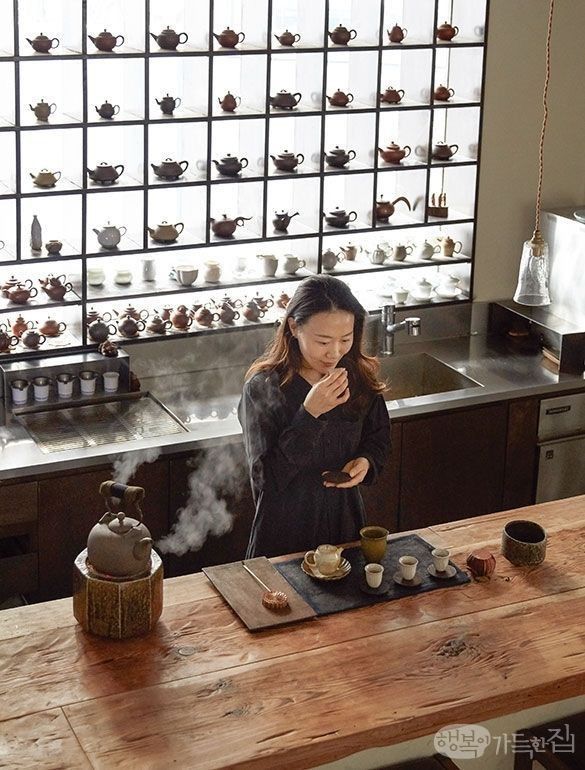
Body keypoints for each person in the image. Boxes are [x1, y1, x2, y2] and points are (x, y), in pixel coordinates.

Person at [238, 275, 391, 558]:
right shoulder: (263, 388)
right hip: (284, 533)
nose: (335, 352)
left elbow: (378, 439)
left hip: (345, 528)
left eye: (345, 339)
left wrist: (366, 461)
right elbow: (265, 481)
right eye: (323, 341)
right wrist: (310, 413)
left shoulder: (356, 376)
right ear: (294, 327)